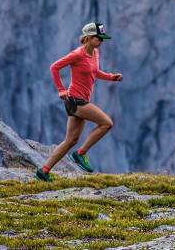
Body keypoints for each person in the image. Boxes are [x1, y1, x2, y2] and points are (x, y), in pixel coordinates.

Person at [35, 22, 123, 182]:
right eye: (99, 38)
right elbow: (54, 67)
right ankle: (81, 154)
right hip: (75, 101)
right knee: (106, 123)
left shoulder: (95, 53)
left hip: (81, 100)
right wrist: (61, 89)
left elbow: (95, 72)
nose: (101, 42)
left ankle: (43, 171)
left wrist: (111, 77)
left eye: (103, 39)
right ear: (89, 38)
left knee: (70, 140)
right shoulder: (77, 54)